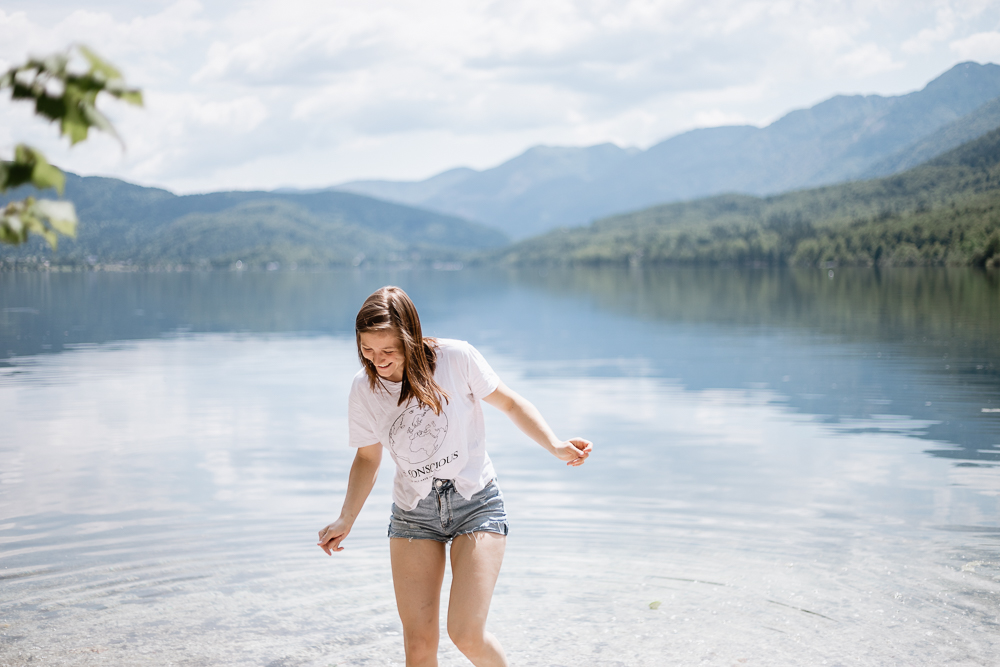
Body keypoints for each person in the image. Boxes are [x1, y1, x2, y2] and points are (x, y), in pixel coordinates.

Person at [317, 286, 592, 667]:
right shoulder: (364, 388)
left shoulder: (456, 358)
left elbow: (509, 402)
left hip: (476, 504)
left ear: (410, 338)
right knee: (418, 644)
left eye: (388, 351)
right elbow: (367, 458)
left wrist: (556, 444)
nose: (377, 361)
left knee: (465, 633)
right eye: (367, 349)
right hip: (413, 514)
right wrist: (346, 517)